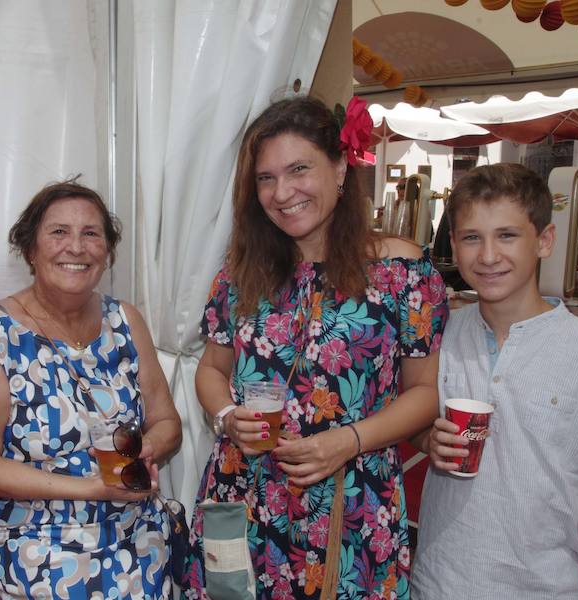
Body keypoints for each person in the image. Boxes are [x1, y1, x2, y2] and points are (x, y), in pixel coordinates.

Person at [183, 97, 449, 599]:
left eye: (299, 169)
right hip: (246, 495)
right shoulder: (241, 274)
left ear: (341, 166)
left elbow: (423, 393)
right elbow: (212, 370)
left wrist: (347, 440)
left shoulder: (402, 273)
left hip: (352, 502)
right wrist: (224, 416)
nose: (282, 192)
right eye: (265, 178)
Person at [0, 179, 182, 599]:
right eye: (58, 232)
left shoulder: (126, 321)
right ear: (30, 249)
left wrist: (140, 453)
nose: (76, 247)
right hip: (39, 554)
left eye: (91, 234)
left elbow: (168, 422)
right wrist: (92, 487)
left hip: (139, 546)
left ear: (108, 252)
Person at [411, 163, 578, 599]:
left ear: (544, 241)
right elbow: (412, 418)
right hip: (436, 584)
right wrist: (425, 440)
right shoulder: (437, 336)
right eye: (472, 237)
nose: (489, 256)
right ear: (453, 243)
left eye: (507, 235)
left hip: (548, 587)